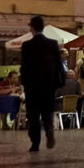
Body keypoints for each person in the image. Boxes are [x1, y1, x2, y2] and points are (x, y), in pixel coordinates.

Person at [20, 15, 66, 152]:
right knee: (47, 112)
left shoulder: (27, 45)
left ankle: (35, 143)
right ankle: (49, 130)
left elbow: (24, 67)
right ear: (43, 27)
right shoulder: (52, 44)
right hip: (48, 86)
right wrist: (60, 83)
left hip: (32, 87)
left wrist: (25, 83)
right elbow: (59, 65)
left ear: (32, 28)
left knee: (33, 115)